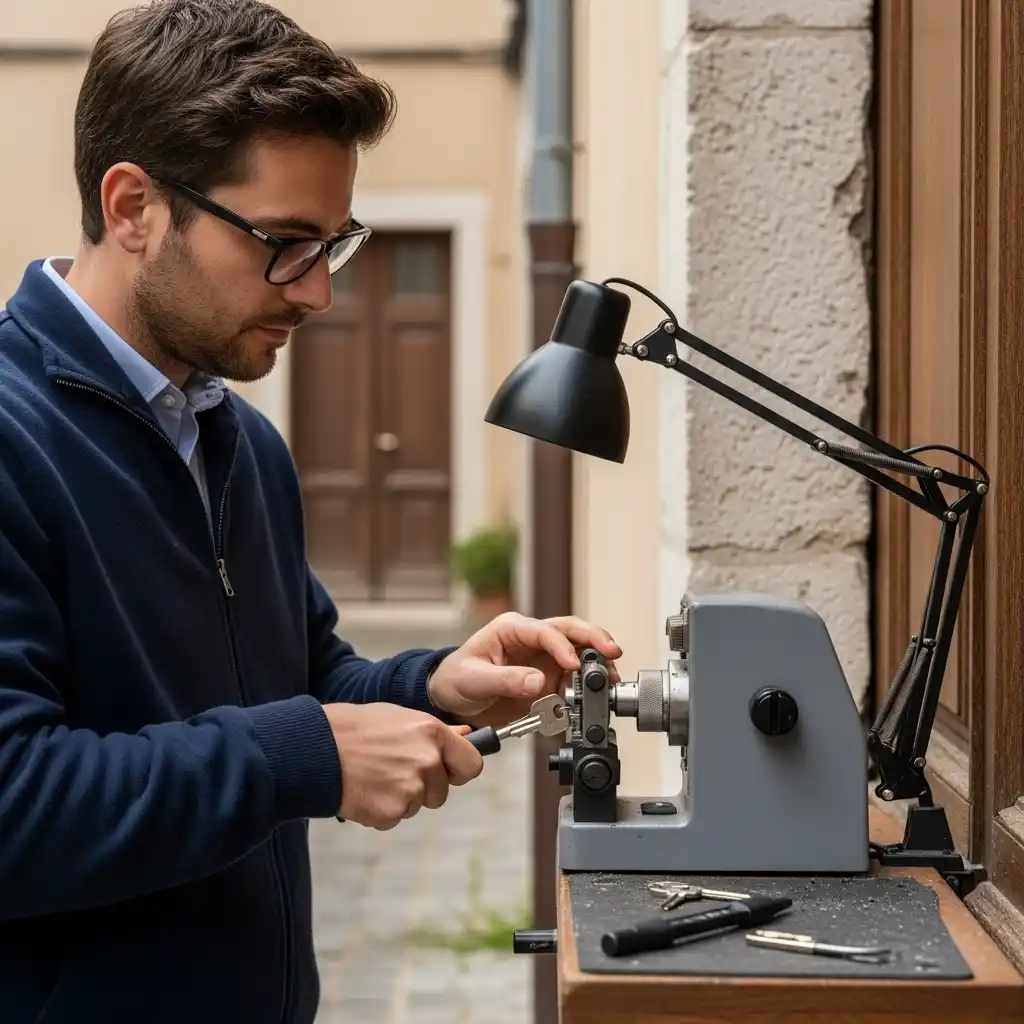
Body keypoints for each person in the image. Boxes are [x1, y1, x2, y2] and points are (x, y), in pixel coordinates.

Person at [0, 2, 622, 1021]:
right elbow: (13, 803)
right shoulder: (12, 438)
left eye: (334, 243)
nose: (319, 293)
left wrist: (437, 685)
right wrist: (307, 754)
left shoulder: (240, 442)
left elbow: (304, 676)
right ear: (132, 207)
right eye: (285, 243)